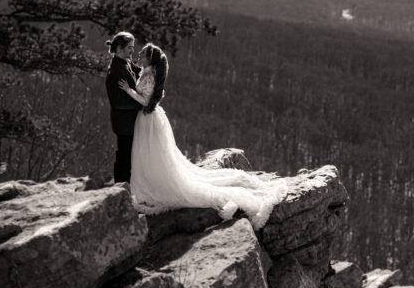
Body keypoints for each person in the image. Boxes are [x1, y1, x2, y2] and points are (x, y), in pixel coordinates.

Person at [117, 43, 287, 229]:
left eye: (143, 53)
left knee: (152, 155)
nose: (139, 54)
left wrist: (128, 91)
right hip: (148, 120)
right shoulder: (148, 71)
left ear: (150, 58)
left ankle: (154, 184)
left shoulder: (150, 74)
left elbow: (145, 100)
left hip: (148, 121)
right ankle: (150, 181)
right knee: (151, 155)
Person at [104, 32, 143, 184]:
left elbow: (136, 71)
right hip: (124, 123)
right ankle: (121, 186)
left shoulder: (124, 62)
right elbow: (118, 102)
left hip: (129, 121)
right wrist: (140, 103)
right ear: (119, 48)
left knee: (128, 154)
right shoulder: (116, 71)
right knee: (124, 155)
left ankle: (126, 185)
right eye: (129, 47)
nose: (132, 51)